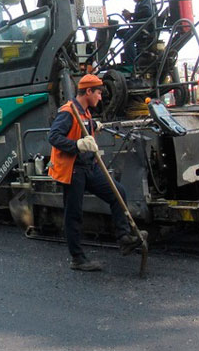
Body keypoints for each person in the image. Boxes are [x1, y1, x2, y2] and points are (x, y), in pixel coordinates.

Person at [48, 73, 144, 271]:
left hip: (89, 167)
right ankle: (78, 259)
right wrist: (78, 144)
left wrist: (93, 127)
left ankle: (124, 238)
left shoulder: (85, 112)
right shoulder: (68, 111)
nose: (101, 97)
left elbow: (82, 128)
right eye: (98, 93)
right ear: (88, 91)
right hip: (73, 169)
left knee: (118, 193)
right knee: (74, 214)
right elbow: (54, 137)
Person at [117, 0, 155, 64]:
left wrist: (131, 14)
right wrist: (129, 18)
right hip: (140, 25)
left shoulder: (147, 0)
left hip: (147, 26)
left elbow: (147, 12)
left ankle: (132, 63)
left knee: (128, 37)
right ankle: (133, 56)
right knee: (122, 32)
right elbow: (136, 19)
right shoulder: (139, 4)